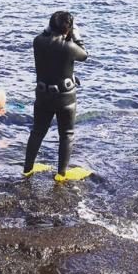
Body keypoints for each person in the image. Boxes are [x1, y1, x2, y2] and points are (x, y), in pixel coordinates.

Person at [23, 11, 88, 177]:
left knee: (37, 132)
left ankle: (27, 170)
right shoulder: (69, 47)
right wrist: (76, 35)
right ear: (68, 29)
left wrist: (49, 29)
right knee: (66, 135)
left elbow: (48, 42)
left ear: (50, 25)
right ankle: (61, 174)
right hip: (65, 98)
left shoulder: (37, 41)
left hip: (42, 95)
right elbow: (84, 55)